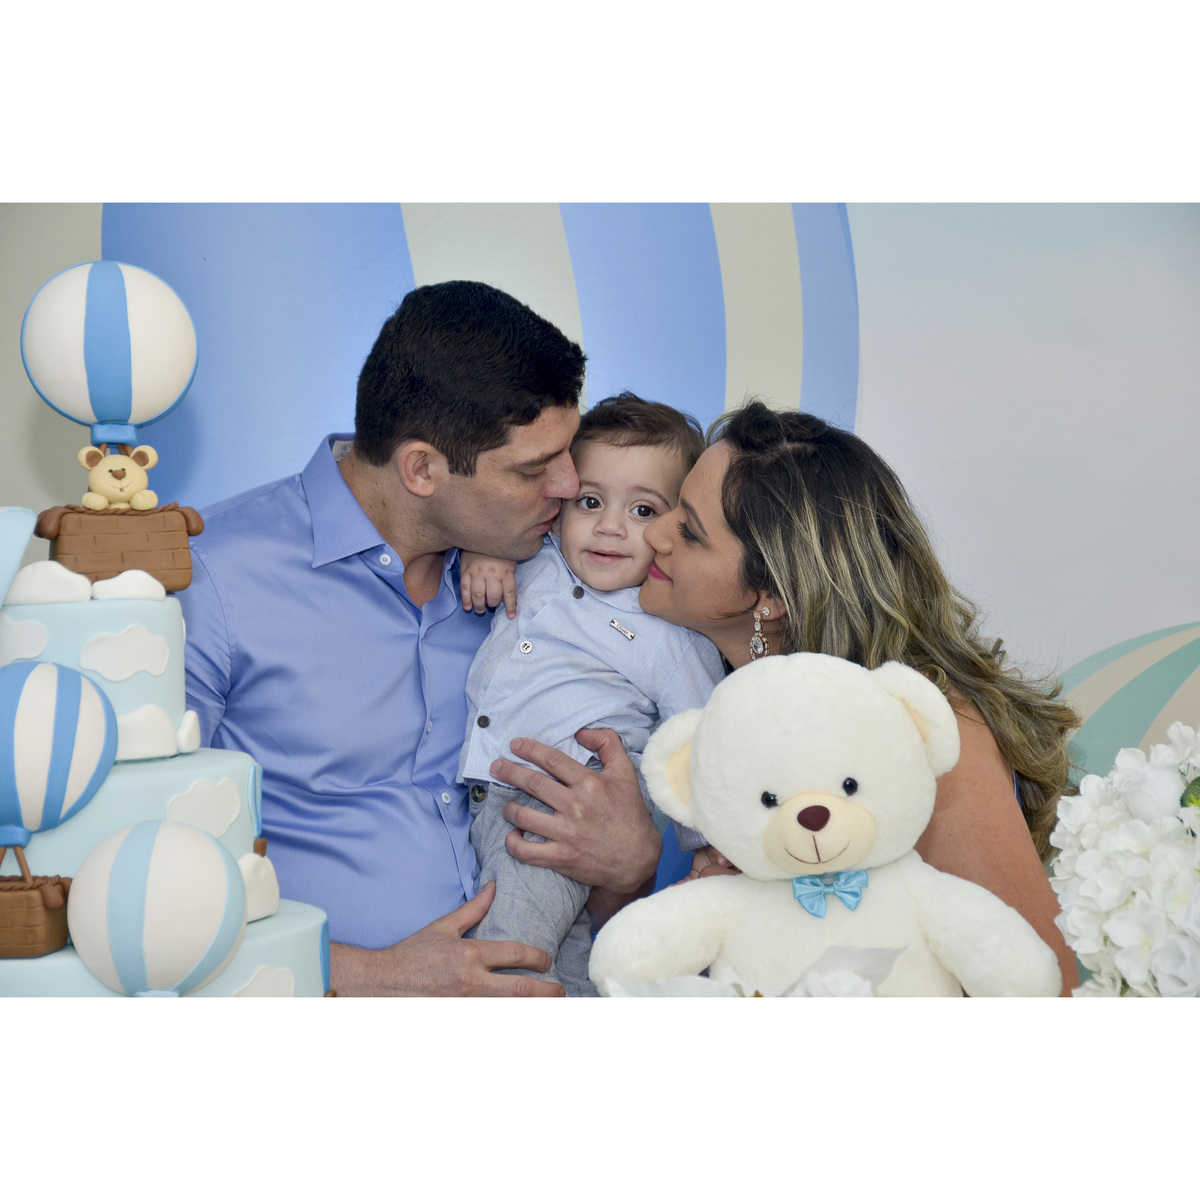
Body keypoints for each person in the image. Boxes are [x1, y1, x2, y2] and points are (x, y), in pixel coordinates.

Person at [178, 281, 662, 996]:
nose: (569, 485)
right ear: (422, 469)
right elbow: (116, 886)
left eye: (568, 453)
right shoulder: (209, 576)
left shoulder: (557, 573)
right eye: (534, 469)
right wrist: (373, 978)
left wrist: (626, 868)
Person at [633, 400, 1082, 995]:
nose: (654, 533)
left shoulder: (923, 733)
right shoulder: (693, 693)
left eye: (688, 531)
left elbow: (1047, 992)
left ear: (771, 597)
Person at [456, 394, 725, 995]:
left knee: (510, 951)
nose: (609, 527)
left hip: (569, 804)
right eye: (591, 501)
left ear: (674, 531)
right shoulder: (536, 557)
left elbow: (701, 737)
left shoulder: (668, 632)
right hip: (489, 798)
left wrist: (708, 847)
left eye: (642, 510)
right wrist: (483, 553)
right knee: (567, 949)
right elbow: (486, 528)